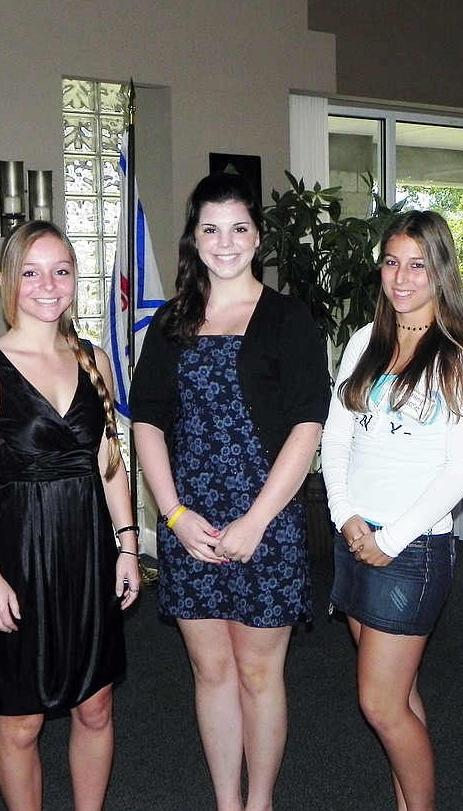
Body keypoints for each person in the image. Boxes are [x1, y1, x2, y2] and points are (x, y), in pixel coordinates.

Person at [130, 172, 329, 811]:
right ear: (193, 237)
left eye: (238, 228)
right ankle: (225, 801)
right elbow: (147, 421)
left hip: (266, 521)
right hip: (190, 521)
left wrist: (256, 522)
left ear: (258, 238)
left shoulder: (289, 318)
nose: (225, 242)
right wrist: (174, 514)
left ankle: (260, 801)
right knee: (211, 671)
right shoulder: (169, 323)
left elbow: (307, 425)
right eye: (211, 229)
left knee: (258, 672)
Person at [0, 220, 140, 811]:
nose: (47, 284)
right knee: (22, 722)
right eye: (31, 271)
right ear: (8, 280)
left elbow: (110, 460)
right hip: (20, 553)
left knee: (96, 705)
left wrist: (129, 543)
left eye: (61, 270)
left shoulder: (94, 361)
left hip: (89, 551)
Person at [321, 210, 463, 811]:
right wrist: (346, 518)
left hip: (410, 551)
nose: (401, 277)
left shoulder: (459, 359)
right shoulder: (366, 340)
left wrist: (390, 538)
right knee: (400, 690)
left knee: (379, 702)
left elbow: (460, 473)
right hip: (356, 538)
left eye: (417, 264)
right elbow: (336, 437)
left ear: (440, 272)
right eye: (392, 262)